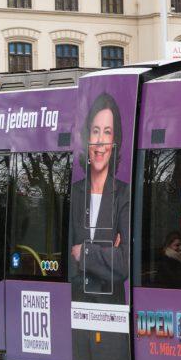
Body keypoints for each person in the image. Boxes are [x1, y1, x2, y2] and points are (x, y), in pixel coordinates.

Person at [72, 95, 129, 297]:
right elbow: (64, 258)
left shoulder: (124, 194)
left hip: (111, 308)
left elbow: (124, 264)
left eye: (107, 132)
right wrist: (106, 256)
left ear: (115, 141)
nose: (99, 141)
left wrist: (83, 253)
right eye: (95, 131)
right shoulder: (73, 194)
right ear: (87, 137)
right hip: (74, 304)